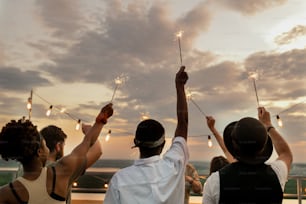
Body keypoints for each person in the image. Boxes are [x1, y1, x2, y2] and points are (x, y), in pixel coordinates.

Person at [104, 66, 189, 204]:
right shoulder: (174, 167)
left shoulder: (120, 180)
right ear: (162, 145)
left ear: (135, 142)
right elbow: (183, 123)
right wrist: (179, 86)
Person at [0, 103, 113, 204]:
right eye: (44, 145)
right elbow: (88, 142)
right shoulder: (60, 171)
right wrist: (99, 123)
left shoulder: (7, 192)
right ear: (40, 151)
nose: (47, 148)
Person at [202, 107, 293, 204]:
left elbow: (225, 150)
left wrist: (213, 129)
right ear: (263, 147)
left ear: (233, 147)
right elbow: (286, 154)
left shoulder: (215, 182)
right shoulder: (277, 174)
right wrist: (268, 125)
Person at [40, 124, 103, 204]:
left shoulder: (27, 169)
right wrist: (89, 132)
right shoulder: (61, 170)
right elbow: (97, 151)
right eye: (63, 145)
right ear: (58, 146)